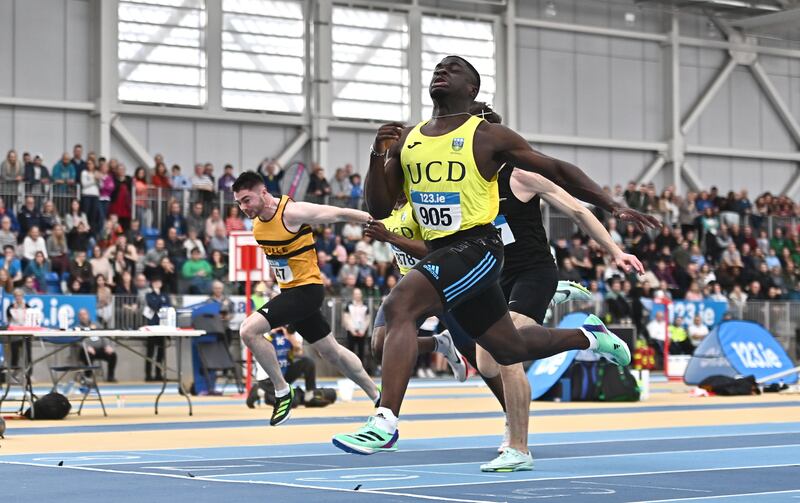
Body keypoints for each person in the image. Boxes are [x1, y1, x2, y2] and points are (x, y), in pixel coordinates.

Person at [333, 55, 656, 455]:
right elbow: (380, 207)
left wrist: (613, 205)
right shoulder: (409, 139)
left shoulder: (487, 137)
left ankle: (385, 420)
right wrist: (377, 156)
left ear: (472, 90)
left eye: (454, 69)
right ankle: (589, 338)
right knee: (506, 351)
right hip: (443, 251)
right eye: (438, 68)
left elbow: (558, 168)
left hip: (479, 248)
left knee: (400, 307)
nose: (442, 71)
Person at [232, 171, 379, 426]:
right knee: (332, 353)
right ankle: (379, 397)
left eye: (246, 200)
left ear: (263, 192)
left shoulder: (292, 213)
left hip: (307, 291)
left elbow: (338, 213)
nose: (243, 208)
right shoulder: (257, 222)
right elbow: (280, 259)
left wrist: (374, 220)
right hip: (290, 292)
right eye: (238, 203)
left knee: (248, 330)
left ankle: (281, 390)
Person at [75, 308, 117, 382]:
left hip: (100, 349)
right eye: (81, 315)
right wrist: (87, 347)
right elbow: (77, 340)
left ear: (88, 315)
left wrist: (107, 346)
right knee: (87, 355)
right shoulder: (77, 328)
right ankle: (87, 378)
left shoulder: (96, 324)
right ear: (79, 317)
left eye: (84, 314)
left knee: (112, 355)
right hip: (87, 350)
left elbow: (103, 335)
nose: (83, 316)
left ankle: (110, 377)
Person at [144, 277, 171, 381]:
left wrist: (160, 303)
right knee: (150, 352)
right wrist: (160, 302)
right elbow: (153, 305)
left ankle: (158, 374)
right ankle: (148, 374)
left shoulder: (165, 295)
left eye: (158, 282)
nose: (157, 284)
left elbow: (167, 306)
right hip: (152, 326)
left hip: (163, 326)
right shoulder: (149, 295)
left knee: (161, 352)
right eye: (154, 282)